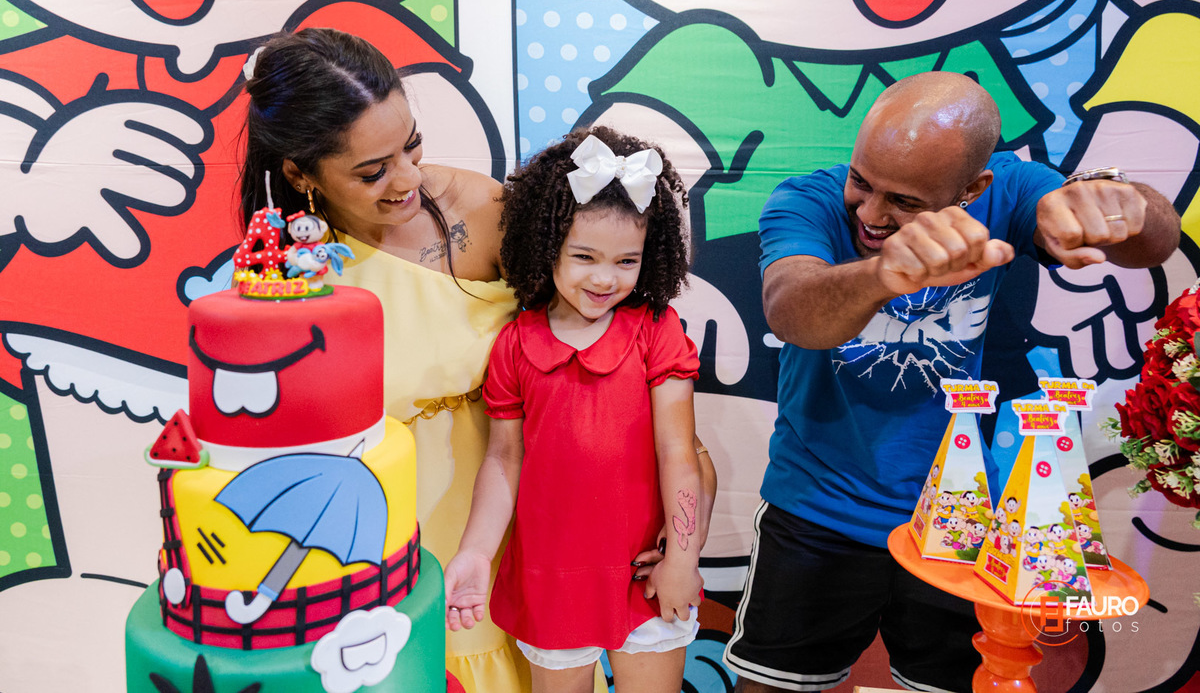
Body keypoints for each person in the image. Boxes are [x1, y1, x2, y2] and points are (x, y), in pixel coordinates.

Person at [724, 71, 1181, 693]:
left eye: (905, 201)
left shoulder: (1012, 189)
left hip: (960, 520)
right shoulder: (806, 200)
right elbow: (791, 309)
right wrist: (886, 273)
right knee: (774, 685)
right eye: (863, 181)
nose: (871, 214)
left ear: (973, 189)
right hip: (818, 507)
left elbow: (1153, 241)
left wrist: (1111, 201)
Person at [239, 27, 523, 692]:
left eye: (411, 145)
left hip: (502, 516)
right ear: (299, 173)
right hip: (366, 540)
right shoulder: (283, 268)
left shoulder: (485, 212)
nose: (409, 178)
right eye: (373, 171)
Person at [443, 126, 715, 693]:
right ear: (548, 247)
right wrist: (475, 552)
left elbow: (678, 452)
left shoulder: (656, 331)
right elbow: (503, 459)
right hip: (551, 582)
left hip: (643, 575)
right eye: (584, 256)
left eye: (626, 261)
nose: (604, 278)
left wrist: (683, 559)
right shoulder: (515, 344)